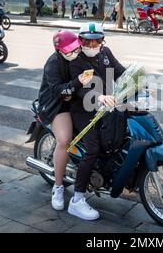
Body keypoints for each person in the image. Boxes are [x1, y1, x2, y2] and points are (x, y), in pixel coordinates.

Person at [68, 23, 126, 221]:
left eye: (97, 40)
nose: (92, 44)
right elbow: (79, 89)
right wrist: (98, 97)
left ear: (102, 41)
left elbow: (120, 72)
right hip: (83, 110)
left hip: (108, 106)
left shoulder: (105, 52)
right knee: (92, 148)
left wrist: (139, 82)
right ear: (80, 41)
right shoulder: (76, 60)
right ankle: (77, 200)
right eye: (87, 41)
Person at [38, 30, 94, 211]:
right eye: (68, 51)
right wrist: (77, 83)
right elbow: (59, 91)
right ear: (59, 51)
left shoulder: (79, 56)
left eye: (75, 49)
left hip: (76, 100)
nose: (73, 53)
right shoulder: (53, 64)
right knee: (64, 140)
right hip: (56, 105)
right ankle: (58, 186)